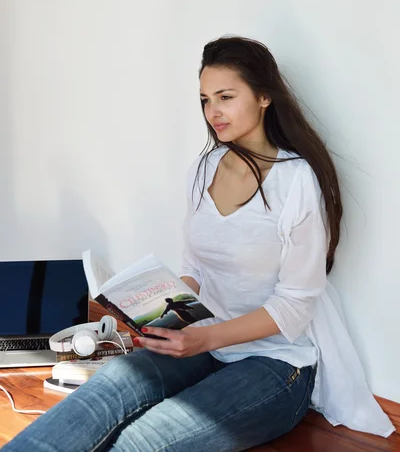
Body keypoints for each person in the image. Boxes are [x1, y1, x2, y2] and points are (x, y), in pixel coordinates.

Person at [3, 36, 394, 451]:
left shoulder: (296, 180)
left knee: (141, 443)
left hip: (277, 363)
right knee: (103, 393)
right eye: (206, 99)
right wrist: (157, 315)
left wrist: (205, 340)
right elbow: (198, 268)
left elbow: (296, 305)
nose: (213, 112)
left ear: (264, 96)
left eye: (226, 96)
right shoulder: (204, 168)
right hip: (204, 339)